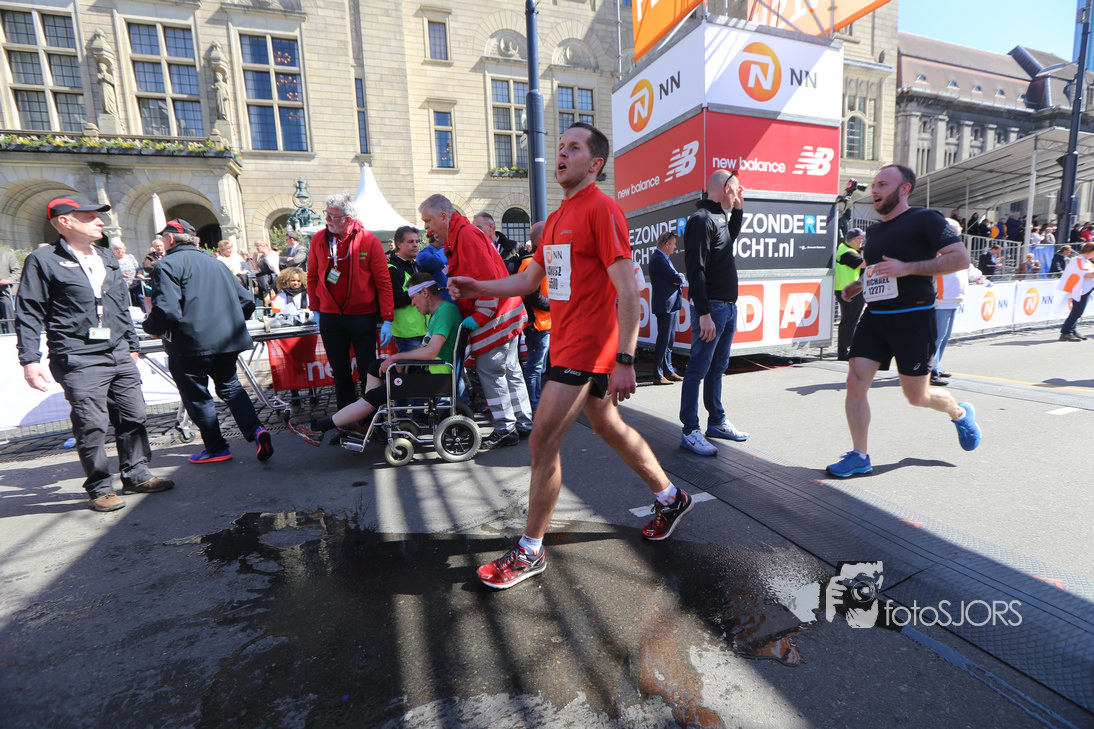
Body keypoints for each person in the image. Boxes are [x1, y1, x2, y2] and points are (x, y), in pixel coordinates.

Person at [448, 122, 694, 589]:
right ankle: (671, 497)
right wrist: (478, 285)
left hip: (587, 349)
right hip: (568, 344)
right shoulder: (559, 217)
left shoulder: (603, 209)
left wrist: (625, 359)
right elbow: (528, 280)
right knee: (608, 426)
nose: (561, 153)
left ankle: (530, 550)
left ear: (595, 163)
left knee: (542, 440)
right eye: (560, 146)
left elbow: (628, 292)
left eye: (573, 147)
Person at [15, 194, 174, 511]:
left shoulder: (106, 256)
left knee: (134, 415)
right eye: (89, 216)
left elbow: (120, 306)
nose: (100, 221)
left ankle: (136, 474)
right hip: (77, 355)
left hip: (117, 350)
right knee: (91, 423)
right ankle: (100, 487)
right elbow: (29, 311)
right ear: (65, 221)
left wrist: (132, 345)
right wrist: (29, 360)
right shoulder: (44, 260)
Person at [827, 165, 981, 479]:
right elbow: (876, 270)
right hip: (876, 317)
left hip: (914, 317)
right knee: (855, 381)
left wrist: (907, 268)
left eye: (883, 184)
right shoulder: (875, 231)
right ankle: (859, 455)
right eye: (874, 185)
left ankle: (959, 412)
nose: (875, 189)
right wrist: (857, 284)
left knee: (917, 396)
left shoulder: (926, 219)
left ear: (905, 188)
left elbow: (960, 259)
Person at [142, 219, 274, 464]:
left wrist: (150, 327)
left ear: (170, 239)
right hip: (226, 341)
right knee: (231, 387)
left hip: (189, 344)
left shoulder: (166, 265)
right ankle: (257, 429)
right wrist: (229, 322)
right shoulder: (217, 263)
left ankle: (217, 448)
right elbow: (246, 301)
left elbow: (167, 311)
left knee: (197, 396)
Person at [289, 273, 461, 445]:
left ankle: (318, 428)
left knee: (376, 395)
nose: (412, 304)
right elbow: (425, 347)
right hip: (428, 371)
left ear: (424, 292)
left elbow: (430, 352)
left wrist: (398, 357)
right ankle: (368, 422)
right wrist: (400, 360)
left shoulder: (445, 312)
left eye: (413, 298)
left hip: (436, 376)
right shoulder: (439, 313)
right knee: (376, 367)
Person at [420, 194, 533, 449]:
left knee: (491, 370)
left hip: (495, 315)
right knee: (511, 371)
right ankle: (523, 422)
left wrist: (479, 316)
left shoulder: (465, 236)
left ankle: (506, 428)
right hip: (505, 311)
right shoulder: (462, 235)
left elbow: (486, 279)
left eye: (428, 221)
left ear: (443, 216)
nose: (426, 228)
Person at [677, 169, 750, 456]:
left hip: (727, 307)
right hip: (713, 308)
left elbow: (726, 243)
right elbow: (695, 269)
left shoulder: (718, 216)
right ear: (726, 188)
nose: (740, 193)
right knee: (698, 368)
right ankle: (690, 430)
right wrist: (704, 312)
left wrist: (738, 212)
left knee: (717, 367)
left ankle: (716, 422)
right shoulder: (702, 219)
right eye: (737, 189)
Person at [307, 192, 395, 422]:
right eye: (326, 213)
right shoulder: (319, 239)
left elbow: (383, 281)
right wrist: (315, 308)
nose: (327, 219)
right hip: (330, 316)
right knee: (340, 372)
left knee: (368, 371)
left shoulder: (369, 240)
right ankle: (345, 422)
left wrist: (387, 317)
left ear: (347, 219)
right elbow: (312, 276)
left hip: (362, 315)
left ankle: (370, 420)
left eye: (332, 215)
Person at [932, 218, 987, 386]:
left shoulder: (957, 250)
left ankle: (936, 366)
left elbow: (969, 268)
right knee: (937, 337)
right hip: (941, 299)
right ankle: (930, 371)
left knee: (944, 337)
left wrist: (979, 276)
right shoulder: (935, 251)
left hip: (953, 299)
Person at [519, 221, 551, 410]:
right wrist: (554, 305)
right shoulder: (531, 262)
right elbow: (531, 295)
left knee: (538, 367)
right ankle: (533, 406)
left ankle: (535, 404)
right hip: (538, 324)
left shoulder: (537, 260)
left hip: (543, 323)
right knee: (535, 368)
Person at [649, 230, 686, 383]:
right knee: (664, 340)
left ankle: (668, 371)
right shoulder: (658, 259)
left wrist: (678, 279)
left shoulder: (663, 258)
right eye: (674, 244)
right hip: (665, 306)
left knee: (669, 340)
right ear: (666, 244)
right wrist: (680, 278)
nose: (675, 247)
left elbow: (677, 279)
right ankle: (658, 375)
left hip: (670, 305)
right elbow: (676, 278)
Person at [386, 226, 428, 352]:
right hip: (407, 333)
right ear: (399, 244)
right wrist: (419, 290)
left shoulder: (416, 265)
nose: (415, 245)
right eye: (410, 242)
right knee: (411, 366)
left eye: (416, 241)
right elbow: (395, 299)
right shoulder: (392, 267)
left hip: (424, 329)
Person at [834, 227, 867, 362]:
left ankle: (848, 350)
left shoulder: (848, 250)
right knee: (849, 322)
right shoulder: (846, 252)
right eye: (860, 238)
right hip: (849, 291)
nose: (862, 240)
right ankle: (844, 352)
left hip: (850, 290)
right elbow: (864, 264)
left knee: (851, 321)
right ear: (855, 239)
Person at [1057, 242, 1094, 341]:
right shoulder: (1078, 260)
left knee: (1078, 312)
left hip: (1085, 289)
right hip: (1079, 290)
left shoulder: (1086, 261)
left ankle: (1072, 330)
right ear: (1091, 251)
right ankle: (1066, 332)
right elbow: (1087, 275)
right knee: (1076, 312)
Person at [416, 230, 452, 303]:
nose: (449, 239)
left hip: (453, 299)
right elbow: (438, 261)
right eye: (446, 236)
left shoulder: (446, 251)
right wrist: (446, 247)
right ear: (437, 237)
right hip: (439, 302)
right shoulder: (423, 255)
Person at [111, 242, 144, 309]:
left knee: (141, 299)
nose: (119, 250)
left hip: (135, 283)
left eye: (120, 248)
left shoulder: (130, 257)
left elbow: (138, 267)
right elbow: (112, 271)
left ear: (124, 249)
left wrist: (140, 274)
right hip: (123, 285)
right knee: (128, 302)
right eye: (117, 249)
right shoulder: (112, 260)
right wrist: (121, 274)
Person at [1, 246, 23, 333]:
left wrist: (9, 280)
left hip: (5, 291)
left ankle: (11, 333)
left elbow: (17, 271)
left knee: (7, 309)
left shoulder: (8, 255)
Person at [252, 239, 280, 305]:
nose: (256, 248)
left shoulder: (272, 253)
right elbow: (258, 269)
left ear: (264, 246)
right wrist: (254, 261)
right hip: (264, 279)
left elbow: (274, 268)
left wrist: (267, 256)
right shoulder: (261, 256)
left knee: (276, 299)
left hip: (273, 278)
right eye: (256, 246)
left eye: (258, 246)